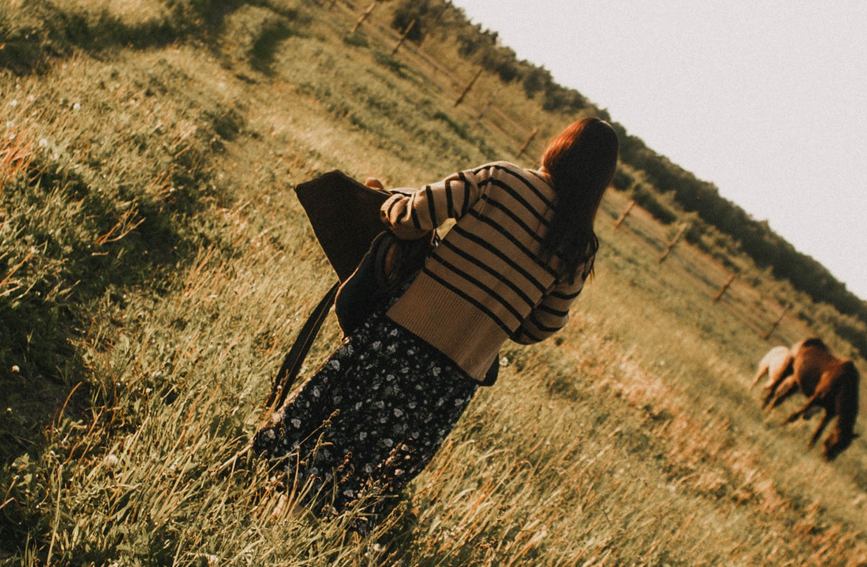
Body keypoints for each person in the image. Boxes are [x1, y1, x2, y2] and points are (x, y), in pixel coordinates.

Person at [253, 117, 620, 524]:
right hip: (456, 375)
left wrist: (391, 204)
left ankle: (271, 508)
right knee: (374, 456)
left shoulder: (500, 178)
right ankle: (315, 525)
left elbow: (415, 215)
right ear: (599, 183)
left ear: (559, 146)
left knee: (331, 420)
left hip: (401, 333)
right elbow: (538, 328)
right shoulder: (580, 246)